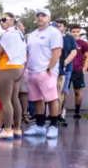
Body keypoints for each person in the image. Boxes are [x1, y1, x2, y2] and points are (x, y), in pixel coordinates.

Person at [23, 8, 63, 138]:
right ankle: (39, 126)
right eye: (38, 15)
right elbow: (28, 53)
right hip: (31, 71)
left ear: (48, 19)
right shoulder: (32, 34)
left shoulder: (54, 33)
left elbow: (57, 52)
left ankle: (53, 126)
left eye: (43, 15)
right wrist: (26, 70)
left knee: (51, 98)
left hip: (47, 71)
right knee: (36, 99)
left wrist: (49, 69)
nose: (40, 17)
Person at [0, 12, 27, 139]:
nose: (1, 23)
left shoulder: (7, 34)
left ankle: (7, 130)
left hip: (8, 68)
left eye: (4, 20)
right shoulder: (19, 34)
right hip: (19, 68)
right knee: (15, 99)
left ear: (12, 20)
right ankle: (17, 129)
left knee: (5, 101)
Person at [54, 20, 78, 126]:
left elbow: (74, 51)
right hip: (53, 70)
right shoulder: (52, 38)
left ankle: (61, 115)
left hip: (66, 70)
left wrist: (65, 62)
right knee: (54, 93)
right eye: (56, 26)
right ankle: (52, 115)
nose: (57, 28)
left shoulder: (69, 38)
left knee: (63, 92)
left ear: (64, 27)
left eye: (59, 26)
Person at [70, 24, 88, 119]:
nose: (75, 33)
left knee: (78, 92)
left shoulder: (83, 43)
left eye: (77, 32)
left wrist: (84, 69)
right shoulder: (65, 42)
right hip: (66, 71)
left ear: (79, 32)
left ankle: (77, 112)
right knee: (63, 92)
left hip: (78, 71)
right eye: (73, 32)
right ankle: (59, 114)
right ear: (70, 32)